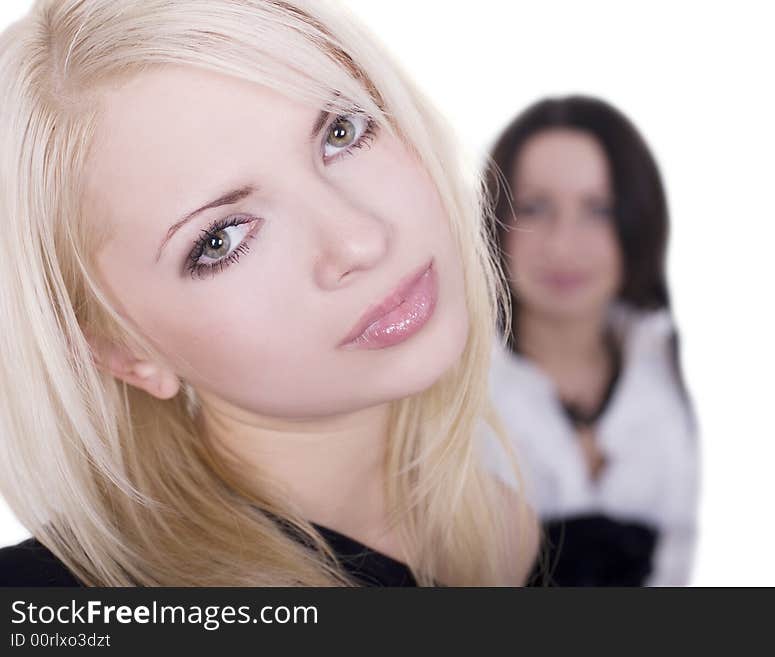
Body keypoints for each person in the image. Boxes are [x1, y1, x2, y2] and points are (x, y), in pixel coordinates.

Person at [0, 0, 537, 587]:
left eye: (342, 132)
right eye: (222, 239)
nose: (361, 239)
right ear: (122, 351)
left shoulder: (549, 524)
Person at [482, 96, 699, 586]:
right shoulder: (447, 388)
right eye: (535, 208)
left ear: (637, 221)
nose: (563, 245)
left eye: (597, 210)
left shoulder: (677, 369)